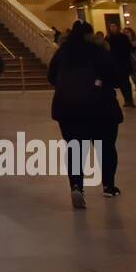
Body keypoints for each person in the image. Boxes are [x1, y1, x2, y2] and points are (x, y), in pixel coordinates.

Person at [47, 21, 123, 208]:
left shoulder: (62, 53)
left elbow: (51, 76)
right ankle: (108, 185)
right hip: (100, 107)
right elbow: (116, 78)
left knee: (75, 149)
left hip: (68, 107)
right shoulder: (99, 52)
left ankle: (77, 186)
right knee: (106, 147)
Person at [104, 22, 136, 108]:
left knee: (125, 82)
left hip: (123, 63)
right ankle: (127, 100)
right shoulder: (108, 37)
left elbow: (129, 48)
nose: (112, 28)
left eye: (114, 26)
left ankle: (129, 99)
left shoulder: (123, 37)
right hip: (114, 64)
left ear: (117, 27)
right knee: (121, 83)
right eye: (111, 26)